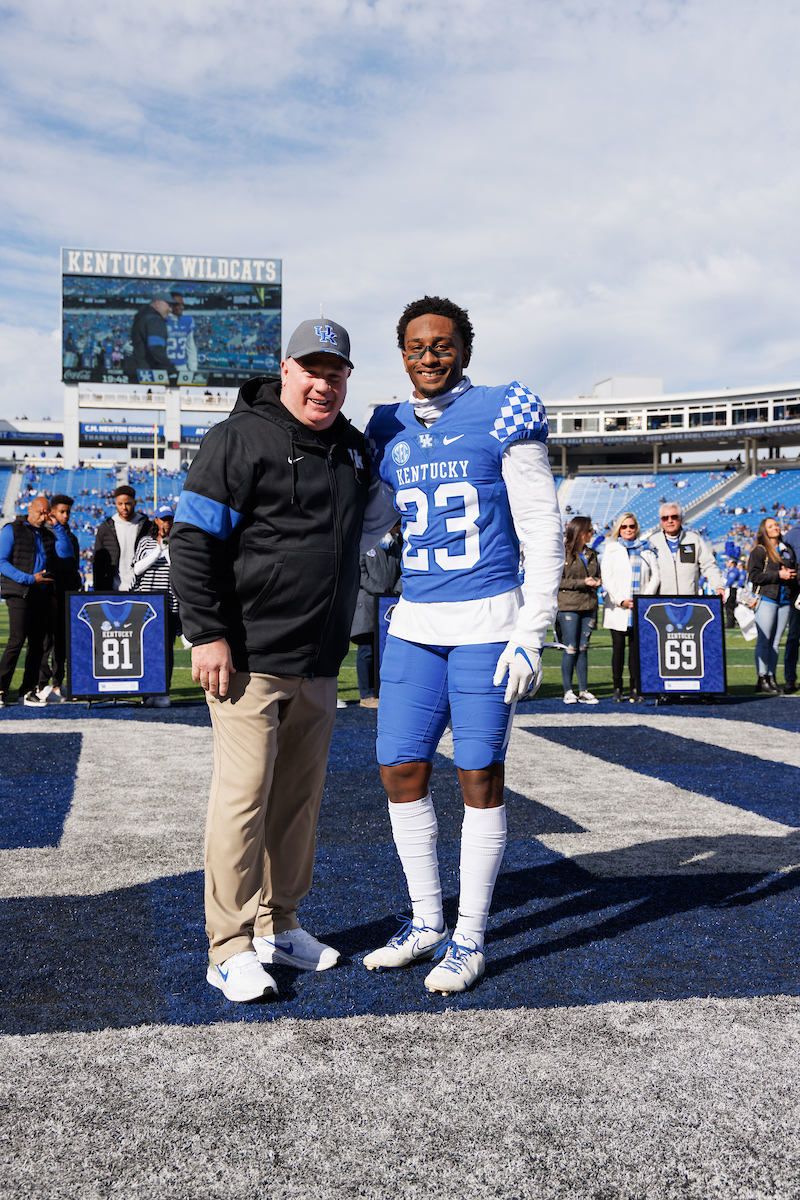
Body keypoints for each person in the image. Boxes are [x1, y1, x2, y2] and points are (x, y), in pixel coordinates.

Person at [170, 318, 396, 1003]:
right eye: (312, 370)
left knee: (297, 804)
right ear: (286, 369)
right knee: (243, 801)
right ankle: (229, 946)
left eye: (336, 373)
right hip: (249, 657)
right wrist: (206, 633)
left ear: (348, 379)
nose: (324, 384)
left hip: (319, 661)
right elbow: (192, 539)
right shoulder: (238, 437)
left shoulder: (352, 448)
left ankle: (280, 924)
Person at [362, 295, 564, 994]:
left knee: (479, 775)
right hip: (415, 623)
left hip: (488, 623)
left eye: (442, 344)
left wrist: (532, 631)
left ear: (465, 349)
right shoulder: (386, 424)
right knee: (399, 768)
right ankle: (426, 921)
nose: (430, 356)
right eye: (416, 346)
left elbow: (541, 528)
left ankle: (469, 935)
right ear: (402, 354)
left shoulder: (504, 409)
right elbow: (373, 522)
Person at [0, 496, 59, 707]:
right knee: (16, 640)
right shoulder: (12, 529)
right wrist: (28, 579)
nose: (43, 517)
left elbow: (62, 556)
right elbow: (1, 562)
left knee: (38, 644)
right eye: (40, 512)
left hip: (42, 594)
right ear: (30, 509)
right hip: (19, 592)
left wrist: (57, 526)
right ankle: (1, 688)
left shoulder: (49, 534)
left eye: (46, 513)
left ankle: (27, 690)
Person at [601, 511, 660, 702]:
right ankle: (617, 688)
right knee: (618, 649)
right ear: (619, 529)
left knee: (636, 651)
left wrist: (643, 599)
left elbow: (655, 576)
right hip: (618, 608)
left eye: (631, 526)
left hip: (639, 608)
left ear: (637, 528)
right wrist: (621, 600)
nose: (628, 530)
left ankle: (635, 688)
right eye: (624, 526)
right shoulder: (611, 549)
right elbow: (607, 577)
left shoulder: (647, 549)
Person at [131, 503, 180, 708]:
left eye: (169, 519)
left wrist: (167, 550)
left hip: (168, 604)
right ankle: (147, 691)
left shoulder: (178, 542)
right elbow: (137, 569)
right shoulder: (145, 541)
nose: (166, 523)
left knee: (166, 649)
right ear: (156, 520)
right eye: (163, 519)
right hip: (147, 604)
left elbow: (179, 570)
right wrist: (157, 551)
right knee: (146, 649)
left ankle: (163, 690)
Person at [350, 522, 403, 708]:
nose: (399, 529)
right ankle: (366, 695)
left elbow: (402, 572)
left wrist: (394, 593)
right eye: (396, 526)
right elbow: (360, 574)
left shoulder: (395, 547)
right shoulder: (366, 544)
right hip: (368, 605)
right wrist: (381, 592)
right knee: (367, 651)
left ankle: (380, 692)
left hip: (387, 607)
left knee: (384, 651)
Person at [37, 493, 82, 702]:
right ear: (52, 512)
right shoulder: (44, 535)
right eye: (62, 511)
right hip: (48, 594)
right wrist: (52, 594)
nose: (65, 516)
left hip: (68, 594)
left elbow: (74, 567)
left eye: (68, 512)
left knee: (63, 642)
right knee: (47, 642)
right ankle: (41, 684)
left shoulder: (71, 537)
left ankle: (57, 683)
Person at [747, 518, 797, 694]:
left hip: (784, 599)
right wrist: (778, 575)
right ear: (764, 530)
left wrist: (790, 575)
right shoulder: (760, 550)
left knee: (775, 642)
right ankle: (762, 677)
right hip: (767, 598)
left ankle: (771, 676)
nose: (775, 528)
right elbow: (754, 576)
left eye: (776, 525)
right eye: (771, 526)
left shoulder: (786, 549)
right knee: (764, 639)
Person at [557, 515, 601, 704]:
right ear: (581, 532)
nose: (592, 533)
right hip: (569, 606)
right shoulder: (563, 553)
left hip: (589, 605)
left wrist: (597, 581)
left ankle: (583, 690)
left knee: (583, 648)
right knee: (571, 648)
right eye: (590, 530)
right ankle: (568, 690)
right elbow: (559, 581)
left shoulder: (592, 554)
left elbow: (596, 575)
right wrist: (583, 582)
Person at [648, 503, 724, 596]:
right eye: (665, 518)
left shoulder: (694, 540)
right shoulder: (652, 542)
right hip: (662, 601)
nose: (670, 521)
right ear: (661, 521)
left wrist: (718, 586)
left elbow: (708, 565)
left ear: (681, 519)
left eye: (674, 517)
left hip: (689, 600)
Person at [92, 486, 150, 591]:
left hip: (141, 588)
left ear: (135, 503)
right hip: (113, 588)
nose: (124, 507)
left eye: (127, 503)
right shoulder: (105, 528)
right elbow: (98, 562)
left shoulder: (147, 526)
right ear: (115, 504)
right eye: (120, 504)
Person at [126, 291, 178, 384]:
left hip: (136, 371)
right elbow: (156, 348)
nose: (171, 309)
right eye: (168, 305)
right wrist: (171, 369)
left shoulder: (142, 316)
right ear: (157, 304)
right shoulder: (154, 320)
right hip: (148, 372)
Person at [781, 517, 800, 693]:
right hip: (797, 591)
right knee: (794, 635)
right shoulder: (791, 535)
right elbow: (785, 562)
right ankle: (790, 678)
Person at [167, 293, 198, 379]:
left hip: (182, 367)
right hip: (165, 368)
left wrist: (193, 370)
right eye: (178, 305)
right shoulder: (160, 321)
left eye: (182, 304)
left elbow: (191, 348)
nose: (182, 308)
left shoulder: (187, 321)